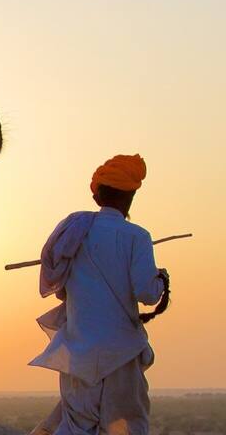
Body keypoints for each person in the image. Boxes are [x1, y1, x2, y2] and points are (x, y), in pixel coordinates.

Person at [28, 154, 170, 435]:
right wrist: (162, 279)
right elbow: (147, 293)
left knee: (75, 426)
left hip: (77, 355)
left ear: (97, 197)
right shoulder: (136, 237)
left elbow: (60, 292)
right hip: (120, 356)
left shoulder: (74, 232)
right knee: (125, 427)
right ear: (130, 197)